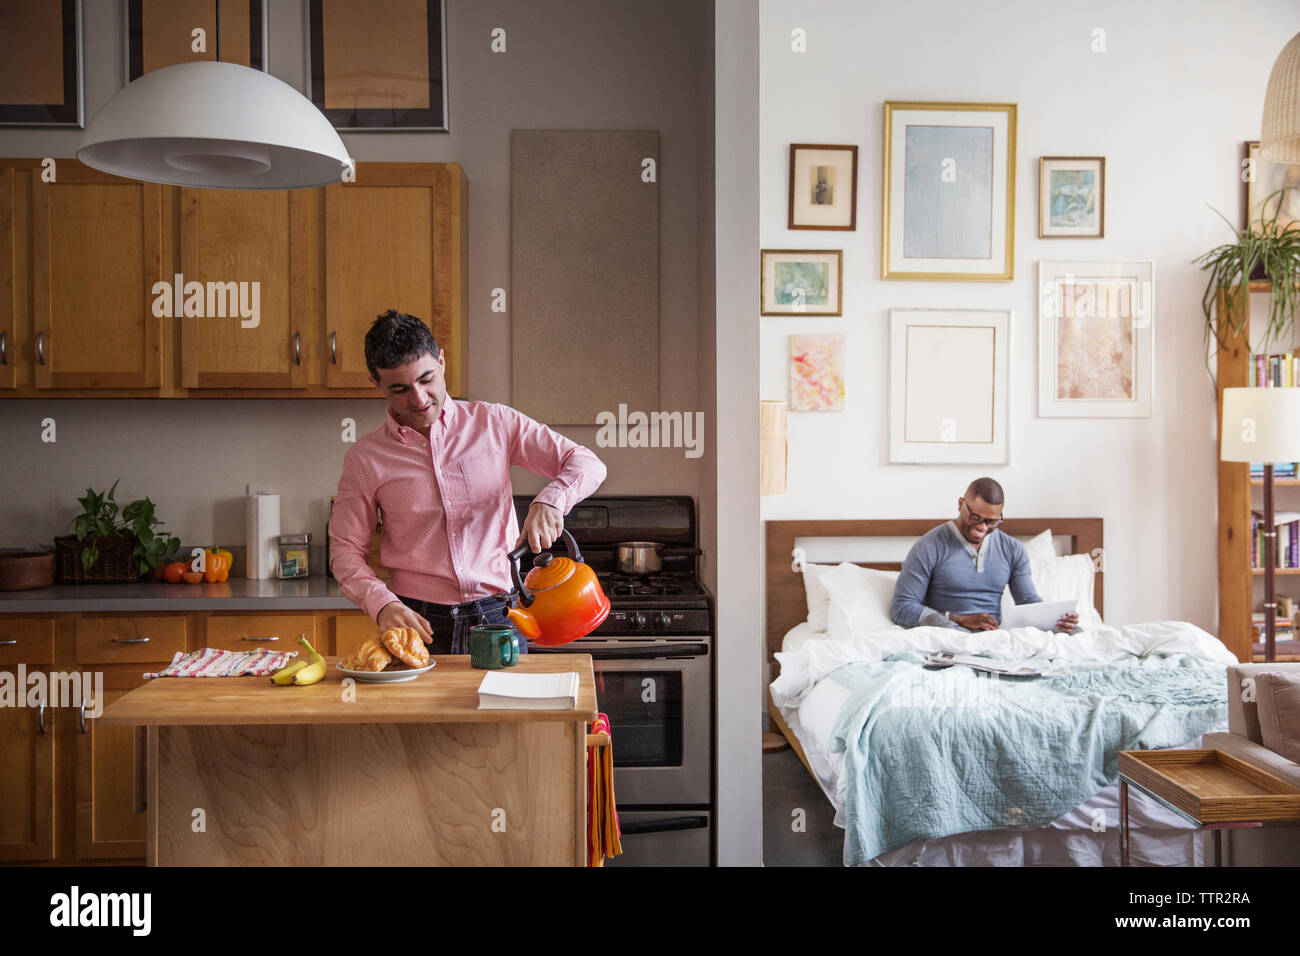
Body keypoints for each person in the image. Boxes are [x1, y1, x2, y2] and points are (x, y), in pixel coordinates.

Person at [329, 310, 607, 655]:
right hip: (417, 623)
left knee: (506, 711)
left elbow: (587, 463)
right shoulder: (365, 458)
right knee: (424, 713)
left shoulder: (494, 423)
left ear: (442, 361)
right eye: (399, 389)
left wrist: (552, 500)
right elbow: (345, 553)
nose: (418, 399)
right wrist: (382, 604)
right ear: (377, 385)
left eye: (427, 379)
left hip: (503, 615)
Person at [889, 477, 1078, 633]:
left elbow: (1028, 603)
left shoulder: (1012, 549)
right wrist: (956, 619)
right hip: (947, 637)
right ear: (961, 504)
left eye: (991, 522)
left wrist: (1057, 621)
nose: (981, 527)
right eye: (975, 518)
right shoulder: (929, 546)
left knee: (1076, 636)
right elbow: (902, 607)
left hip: (995, 641)